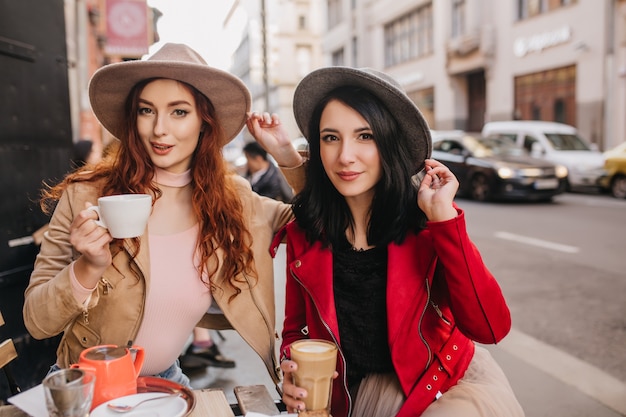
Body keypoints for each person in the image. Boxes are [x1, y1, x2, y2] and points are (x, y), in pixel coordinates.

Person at [22, 43, 303, 388]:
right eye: (146, 111)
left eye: (179, 112)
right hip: (85, 388)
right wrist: (87, 267)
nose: (159, 130)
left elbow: (322, 221)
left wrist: (287, 157)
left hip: (167, 385)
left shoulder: (234, 201)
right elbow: (37, 322)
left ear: (204, 122)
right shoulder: (86, 195)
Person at [271, 67, 525, 417]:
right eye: (331, 138)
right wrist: (290, 367)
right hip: (347, 393)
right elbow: (294, 329)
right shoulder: (306, 231)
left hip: (442, 388)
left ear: (390, 143)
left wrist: (444, 220)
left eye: (365, 136)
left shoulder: (426, 225)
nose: (345, 156)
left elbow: (490, 328)